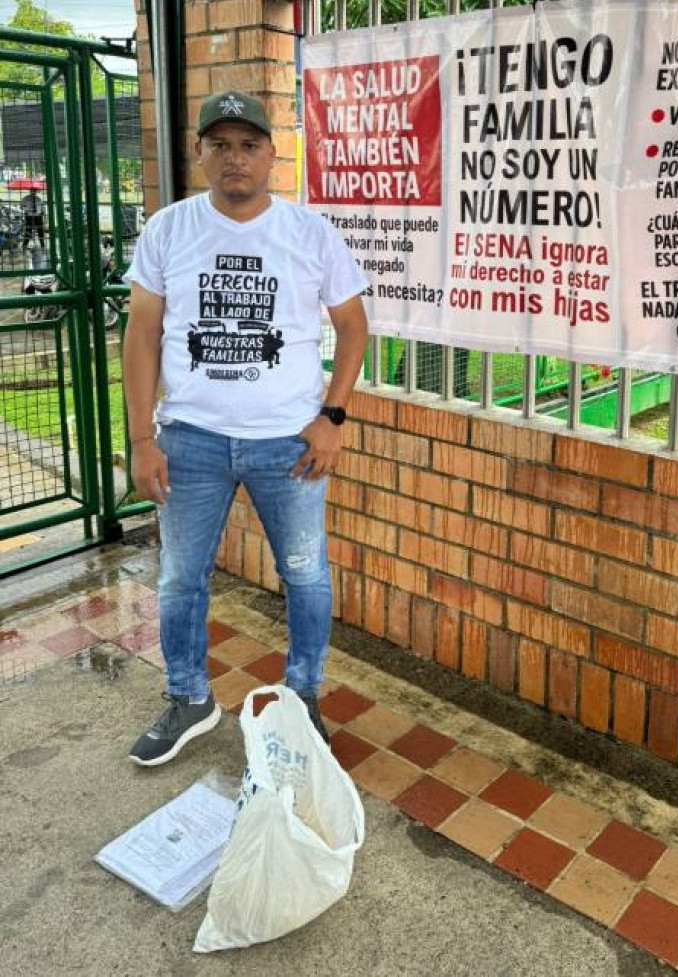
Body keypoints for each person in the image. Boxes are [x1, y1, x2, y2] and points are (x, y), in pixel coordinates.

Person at [122, 90, 368, 766]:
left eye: (248, 145)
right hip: (190, 441)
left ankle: (302, 696)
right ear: (199, 153)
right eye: (220, 145)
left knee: (306, 576)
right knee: (179, 578)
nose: (235, 158)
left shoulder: (310, 232)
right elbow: (140, 334)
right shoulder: (168, 230)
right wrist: (141, 438)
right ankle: (188, 697)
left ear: (271, 154)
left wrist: (332, 416)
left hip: (287, 444)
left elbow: (352, 327)